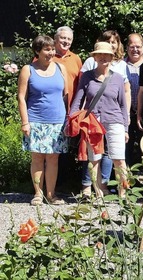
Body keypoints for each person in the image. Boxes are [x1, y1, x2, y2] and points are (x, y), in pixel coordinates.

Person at [71, 42, 129, 197]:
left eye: (107, 54)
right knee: (94, 159)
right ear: (95, 57)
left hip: (115, 120)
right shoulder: (87, 77)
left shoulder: (117, 78)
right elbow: (78, 99)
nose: (103, 57)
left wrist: (125, 128)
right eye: (100, 54)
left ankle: (123, 194)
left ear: (112, 57)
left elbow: (123, 105)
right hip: (93, 122)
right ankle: (98, 193)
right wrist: (71, 120)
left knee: (119, 159)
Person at [18, 35, 68, 206]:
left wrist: (68, 119)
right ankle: (38, 194)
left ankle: (51, 194)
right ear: (37, 51)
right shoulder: (28, 69)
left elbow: (66, 96)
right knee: (38, 158)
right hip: (36, 121)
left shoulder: (61, 68)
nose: (51, 52)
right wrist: (25, 122)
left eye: (52, 49)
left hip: (57, 121)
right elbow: (21, 97)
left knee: (53, 159)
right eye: (47, 49)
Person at [124, 33, 143, 168]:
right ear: (127, 48)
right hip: (125, 113)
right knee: (125, 147)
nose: (135, 50)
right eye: (132, 46)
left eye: (138, 46)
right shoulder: (120, 65)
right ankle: (124, 179)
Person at [51, 26, 82, 108]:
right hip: (49, 106)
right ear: (55, 39)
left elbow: (81, 84)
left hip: (71, 108)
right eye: (63, 38)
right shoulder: (47, 56)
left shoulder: (76, 59)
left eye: (69, 39)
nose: (66, 41)